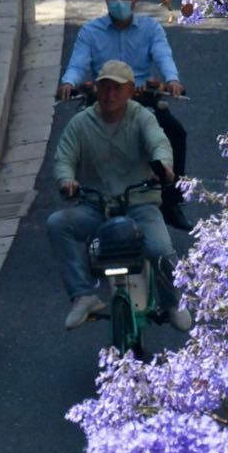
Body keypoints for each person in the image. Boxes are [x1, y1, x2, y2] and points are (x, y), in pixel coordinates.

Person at [48, 60, 192, 331]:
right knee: (58, 224)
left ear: (130, 91)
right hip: (96, 206)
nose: (110, 94)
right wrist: (67, 180)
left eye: (117, 88)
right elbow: (64, 157)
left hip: (140, 204)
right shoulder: (81, 123)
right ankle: (82, 294)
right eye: (105, 87)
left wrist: (164, 168)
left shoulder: (142, 118)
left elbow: (158, 144)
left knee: (161, 250)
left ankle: (173, 302)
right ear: (97, 89)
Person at [57, 0, 189, 227]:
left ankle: (170, 199)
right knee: (77, 135)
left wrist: (172, 80)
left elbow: (163, 56)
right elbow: (77, 63)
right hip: (102, 99)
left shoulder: (151, 29)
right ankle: (80, 193)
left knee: (175, 132)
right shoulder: (90, 32)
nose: (118, 1)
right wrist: (68, 83)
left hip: (141, 97)